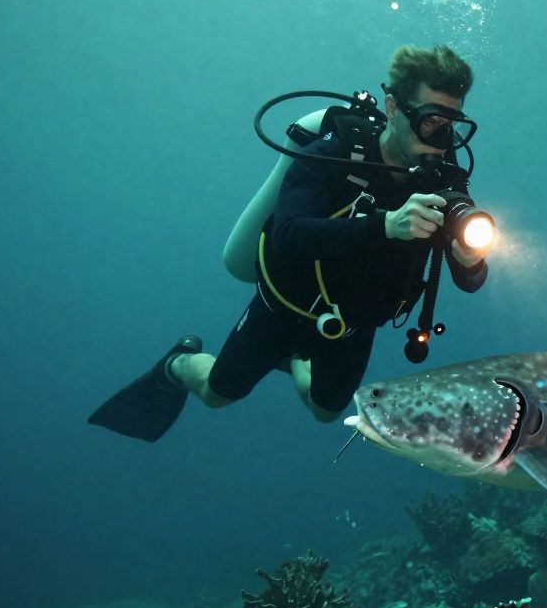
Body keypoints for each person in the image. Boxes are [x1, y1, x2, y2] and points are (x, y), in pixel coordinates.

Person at [91, 44, 492, 441]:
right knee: (217, 394)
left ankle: (298, 360)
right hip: (284, 308)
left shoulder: (444, 179)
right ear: (392, 107)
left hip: (353, 326)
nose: (441, 139)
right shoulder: (334, 154)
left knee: (325, 412)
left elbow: (469, 279)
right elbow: (288, 236)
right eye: (430, 121)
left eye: (452, 125)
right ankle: (178, 363)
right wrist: (384, 225)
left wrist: (470, 260)